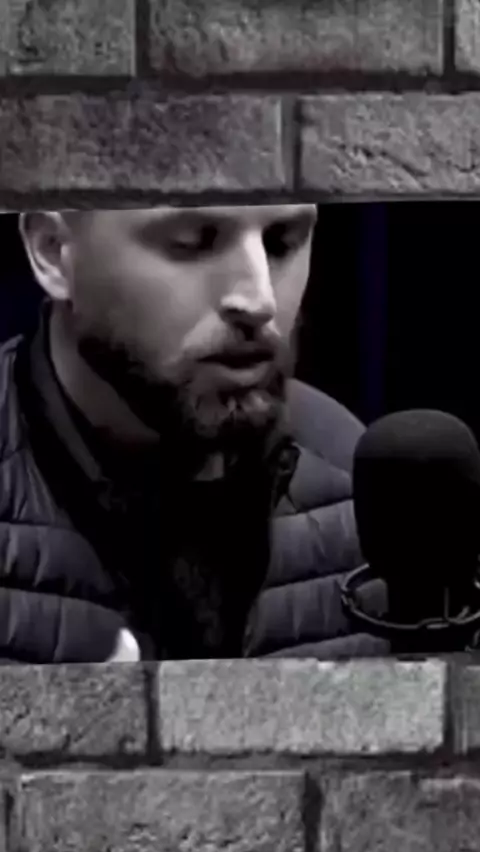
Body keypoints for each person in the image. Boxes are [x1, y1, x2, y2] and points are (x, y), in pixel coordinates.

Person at [0, 204, 383, 664]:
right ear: (53, 251)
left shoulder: (351, 476)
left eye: (282, 242)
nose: (259, 300)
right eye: (192, 243)